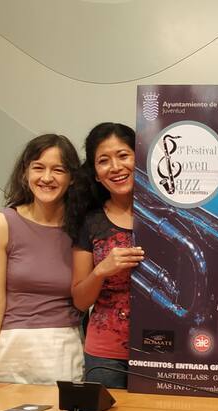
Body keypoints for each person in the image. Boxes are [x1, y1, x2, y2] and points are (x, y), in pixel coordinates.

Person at [0, 134, 85, 384]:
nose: (47, 178)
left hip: (62, 349)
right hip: (10, 349)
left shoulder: (83, 228)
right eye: (38, 167)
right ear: (25, 172)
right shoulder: (4, 222)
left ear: (72, 178)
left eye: (58, 170)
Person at [71, 122, 143, 388]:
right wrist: (101, 270)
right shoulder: (90, 221)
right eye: (103, 161)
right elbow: (80, 301)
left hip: (165, 349)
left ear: (140, 158)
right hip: (106, 355)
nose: (115, 167)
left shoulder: (168, 213)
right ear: (96, 174)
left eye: (123, 155)